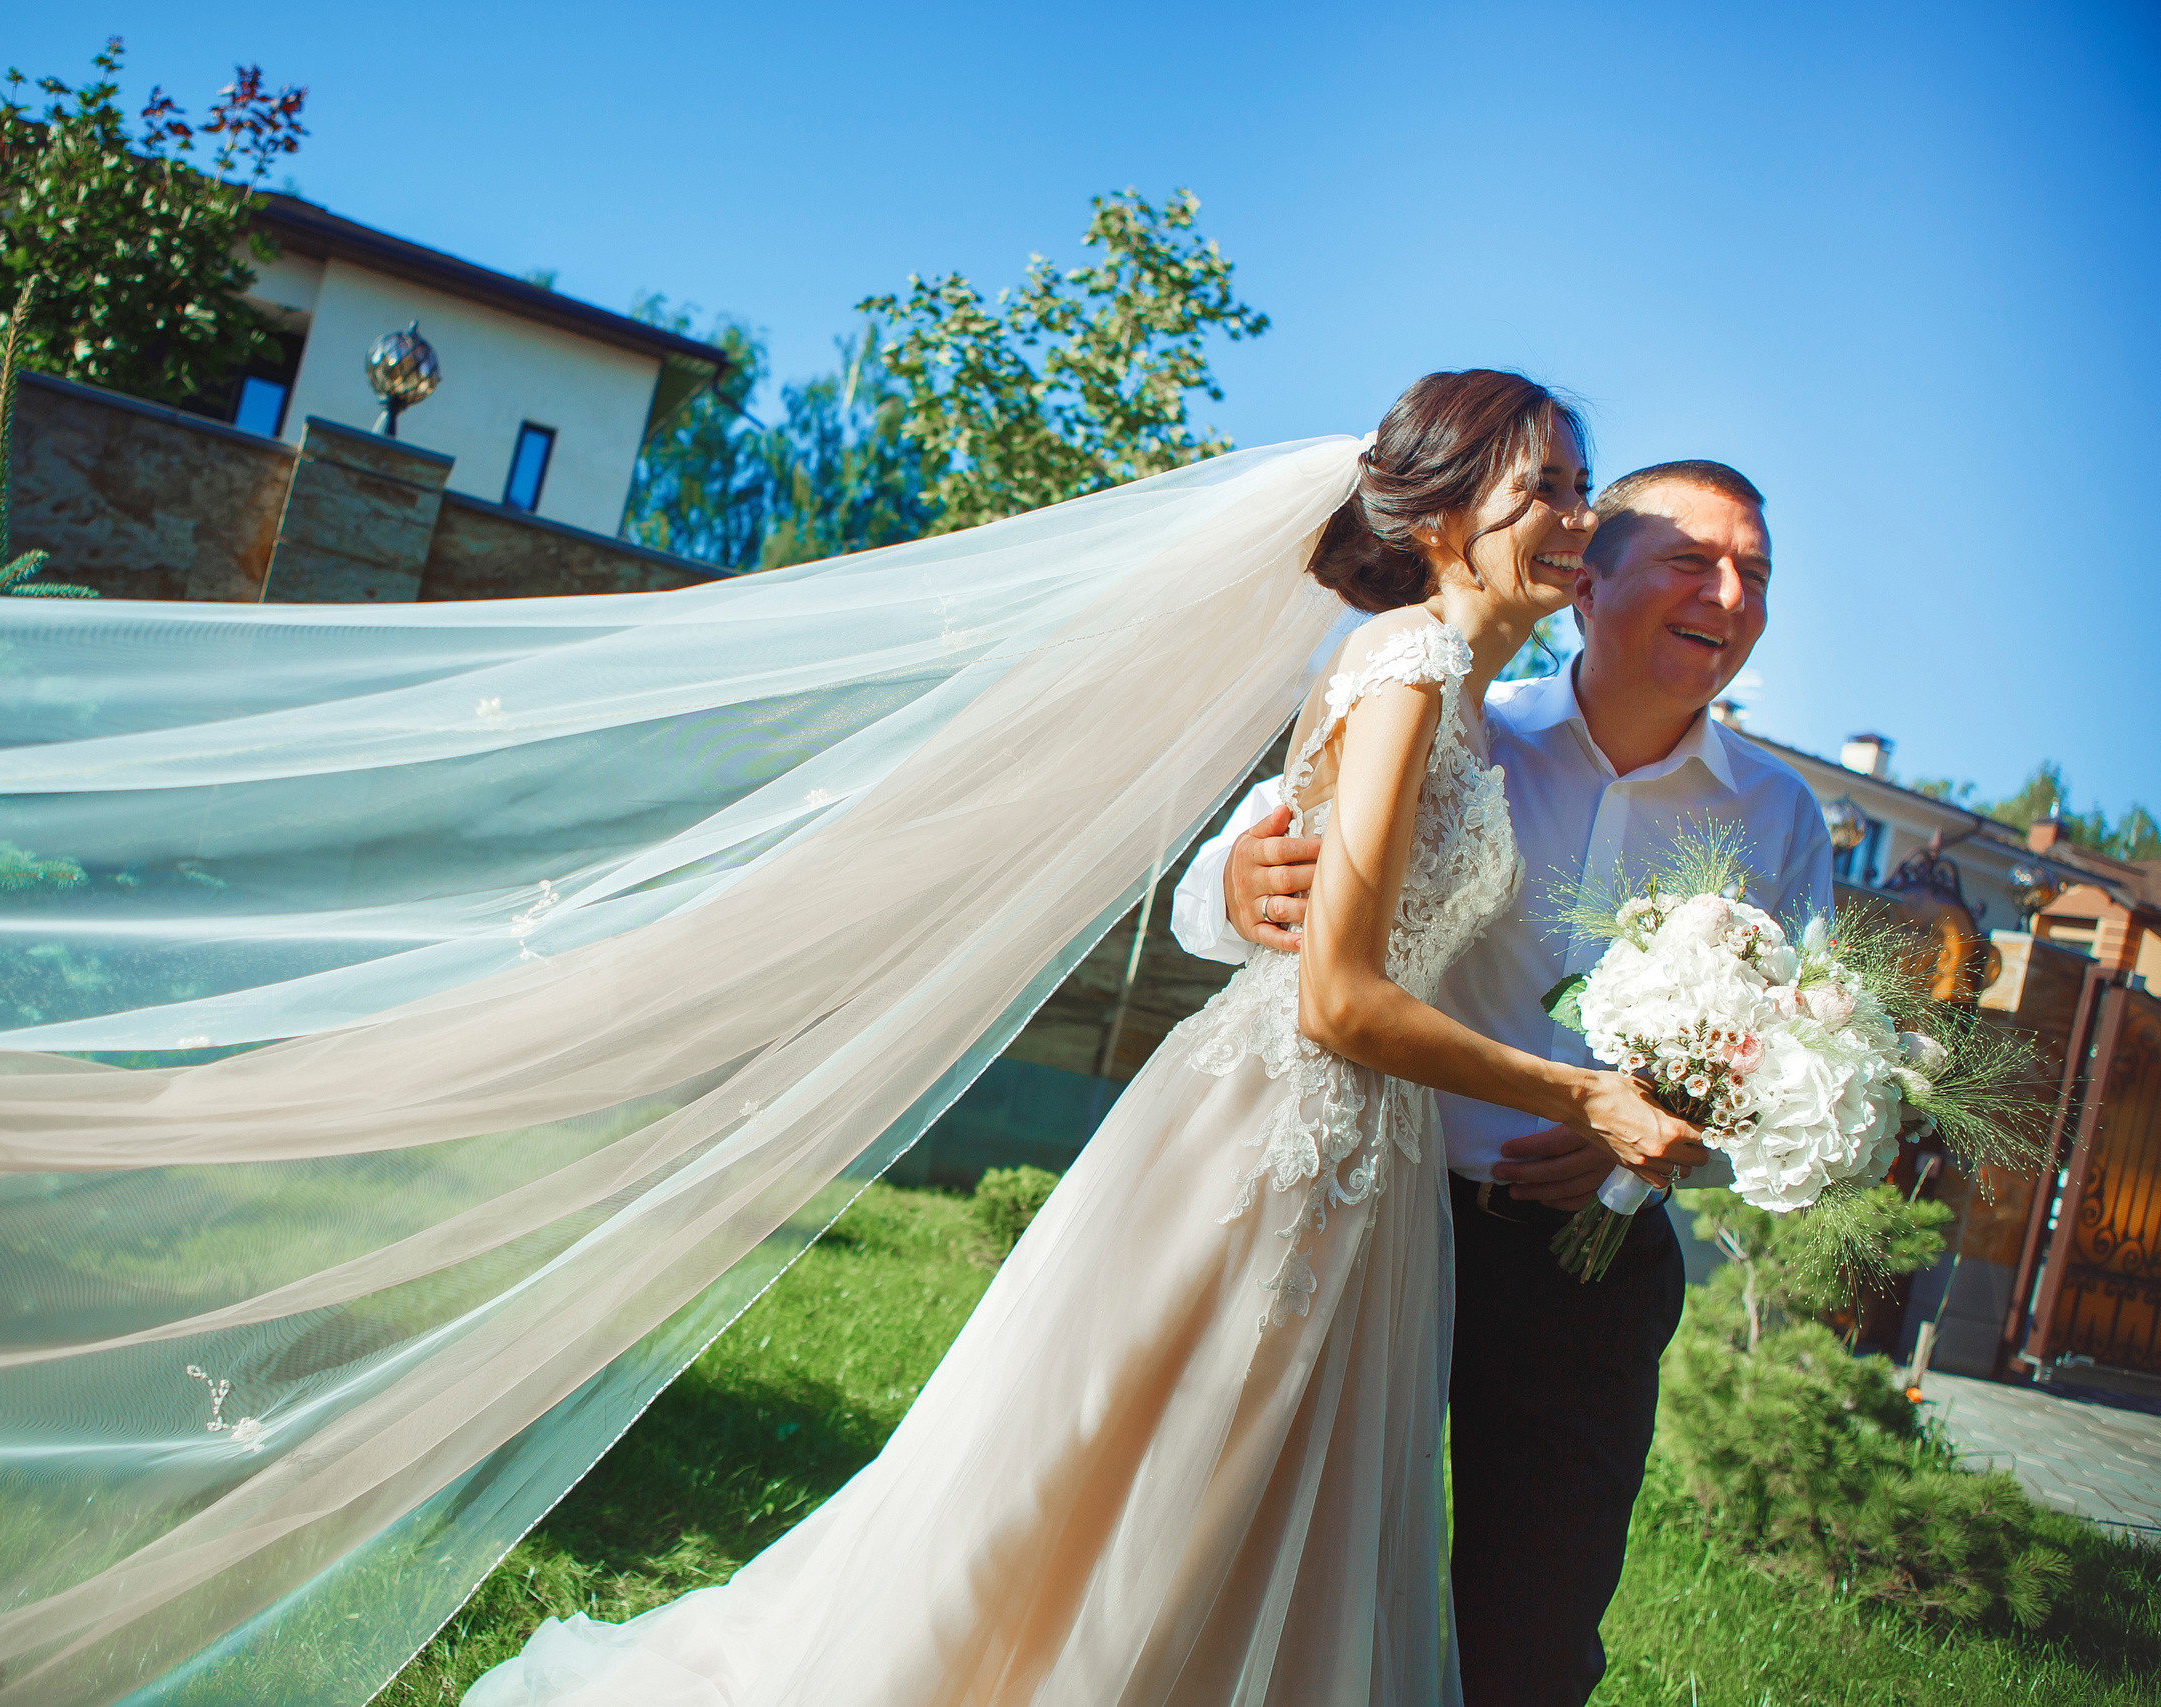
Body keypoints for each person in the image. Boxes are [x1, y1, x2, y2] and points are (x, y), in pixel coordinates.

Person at [465, 370, 1708, 1707]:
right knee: (1133, 1475)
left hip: (1365, 1149)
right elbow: (1337, 996)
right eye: (1552, 488)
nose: (1583, 517)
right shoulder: (1404, 665)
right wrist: (1585, 1095)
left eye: (1587, 487)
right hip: (1278, 1131)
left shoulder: (1458, 690)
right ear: (1446, 505)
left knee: (1251, 1498)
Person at [1169, 457, 1833, 1707]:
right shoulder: (1461, 710)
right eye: (1692, 561)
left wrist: (1653, 1135)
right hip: (1384, 1225)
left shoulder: (1781, 819)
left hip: (1592, 1267)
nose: (1729, 594)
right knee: (1297, 1580)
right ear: (1590, 584)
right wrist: (1234, 888)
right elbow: (1226, 882)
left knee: (1531, 1639)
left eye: (1754, 573)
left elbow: (1785, 1057)